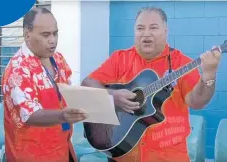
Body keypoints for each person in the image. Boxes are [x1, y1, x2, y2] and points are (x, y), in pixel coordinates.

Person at [81, 7, 221, 162]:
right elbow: (88, 83)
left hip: (168, 156)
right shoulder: (119, 59)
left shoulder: (182, 63)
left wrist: (208, 76)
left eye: (153, 28)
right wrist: (112, 96)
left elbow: (197, 102)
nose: (146, 33)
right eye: (140, 28)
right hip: (122, 153)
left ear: (166, 31)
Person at [2, 8, 87, 162]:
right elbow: (29, 115)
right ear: (27, 34)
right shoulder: (18, 68)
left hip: (62, 148)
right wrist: (62, 116)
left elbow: (67, 92)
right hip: (30, 155)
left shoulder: (58, 59)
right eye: (45, 35)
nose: (52, 40)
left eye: (55, 33)